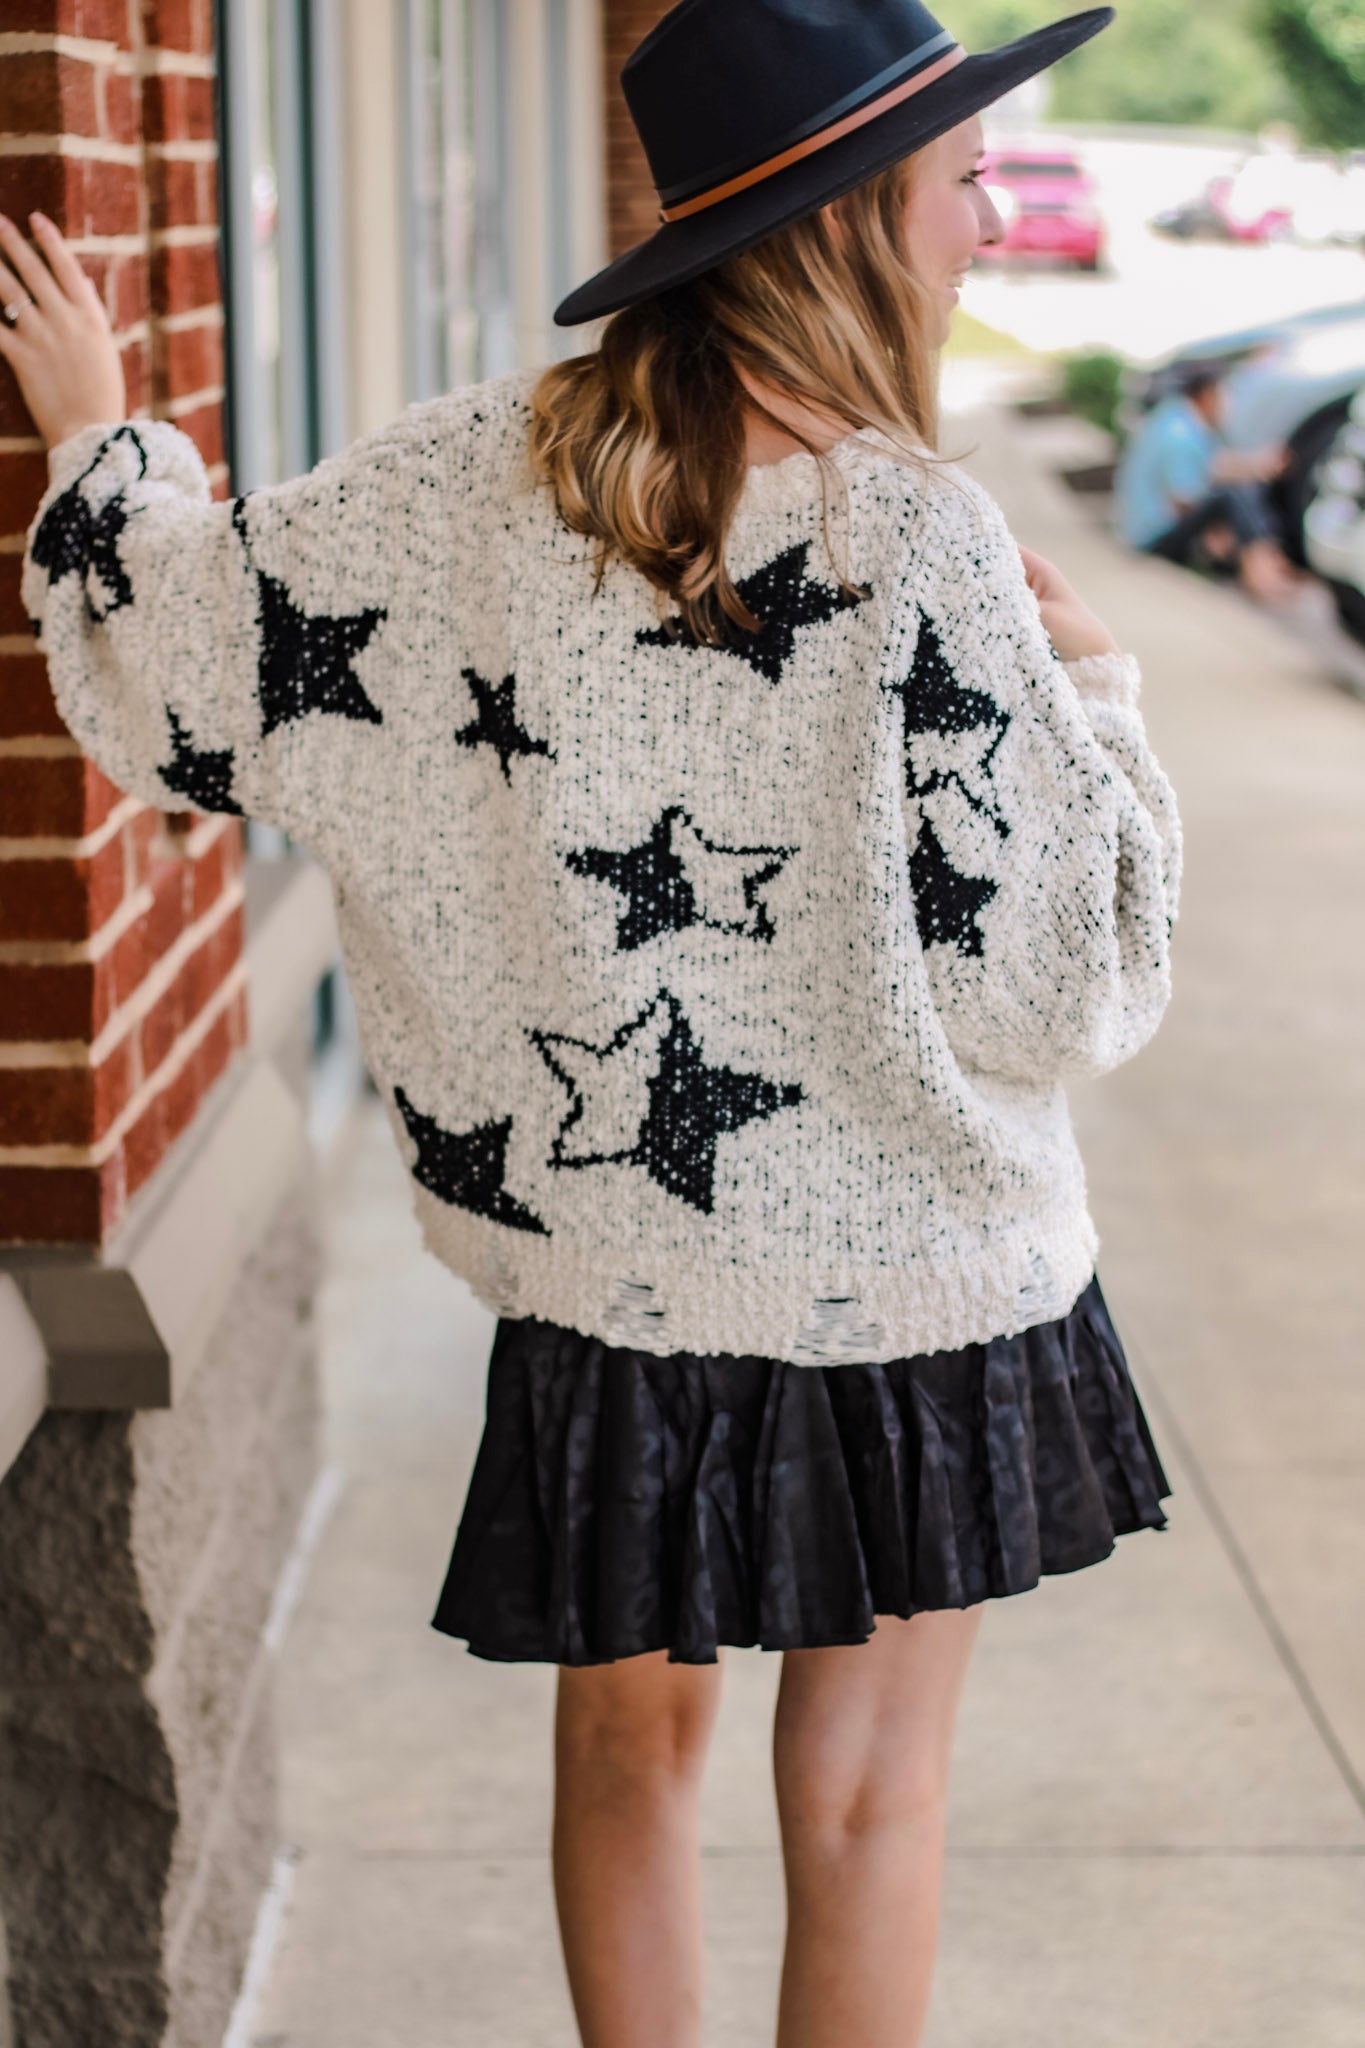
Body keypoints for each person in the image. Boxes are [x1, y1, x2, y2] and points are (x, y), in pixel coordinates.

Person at [3, 5, 1182, 2044]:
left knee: (627, 1755)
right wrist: (1098, 697)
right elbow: (1065, 982)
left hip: (623, 1275)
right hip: (924, 1282)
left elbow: (197, 670)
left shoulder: (473, 476)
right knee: (869, 1794)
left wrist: (102, 437)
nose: (994, 221)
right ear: (854, 221)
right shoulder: (925, 544)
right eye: (967, 180)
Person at [1116, 365, 1305, 602]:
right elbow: (1183, 499)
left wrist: (1258, 465)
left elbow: (1212, 466)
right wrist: (1215, 532)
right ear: (1207, 395)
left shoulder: (1177, 419)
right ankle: (1260, 570)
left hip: (1148, 530)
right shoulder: (1179, 433)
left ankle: (1267, 559)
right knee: (1233, 495)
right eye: (1224, 395)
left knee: (1245, 490)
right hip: (1151, 537)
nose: (1228, 404)